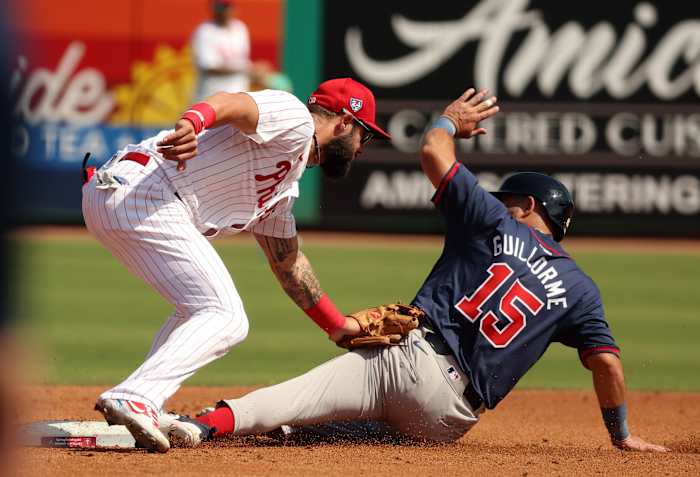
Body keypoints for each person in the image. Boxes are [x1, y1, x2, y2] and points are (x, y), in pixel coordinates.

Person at [165, 88, 669, 453]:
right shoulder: (582, 291)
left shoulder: (494, 221)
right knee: (371, 434)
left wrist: (450, 120)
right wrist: (620, 435)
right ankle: (300, 435)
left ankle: (207, 425)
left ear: (526, 205)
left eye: (508, 199)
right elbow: (607, 366)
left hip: (406, 363)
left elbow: (433, 149)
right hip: (449, 419)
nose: (502, 203)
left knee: (294, 398)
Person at [83, 77, 390, 452]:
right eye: (364, 135)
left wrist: (337, 325)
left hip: (131, 195)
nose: (361, 148)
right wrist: (194, 121)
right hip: (147, 192)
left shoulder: (284, 185)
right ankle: (134, 396)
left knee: (195, 311)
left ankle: (146, 401)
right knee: (226, 316)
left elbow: (288, 263)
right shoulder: (295, 119)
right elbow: (233, 103)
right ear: (343, 122)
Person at [192, 0, 251, 100]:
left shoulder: (240, 28)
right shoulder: (205, 31)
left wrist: (255, 71)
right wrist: (245, 69)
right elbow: (209, 67)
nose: (223, 12)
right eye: (219, 8)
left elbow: (242, 60)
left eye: (226, 7)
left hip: (238, 94)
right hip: (211, 97)